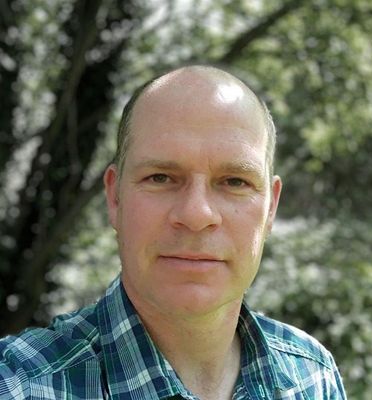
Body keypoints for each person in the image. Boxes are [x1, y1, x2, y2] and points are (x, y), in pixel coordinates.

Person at [0, 65, 347, 400]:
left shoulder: (312, 378)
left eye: (234, 181)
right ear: (115, 197)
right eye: (161, 177)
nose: (197, 215)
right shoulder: (18, 388)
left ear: (270, 208)